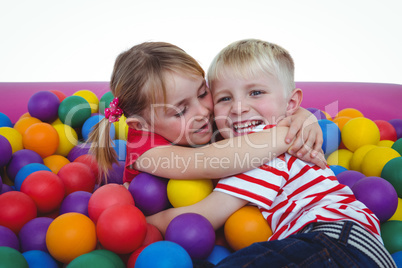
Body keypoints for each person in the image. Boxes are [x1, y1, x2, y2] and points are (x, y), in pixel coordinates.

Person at [146, 39, 396, 267]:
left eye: (255, 93)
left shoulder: (260, 149)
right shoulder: (263, 138)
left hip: (337, 242)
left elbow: (206, 214)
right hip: (344, 246)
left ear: (290, 103)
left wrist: (141, 225)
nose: (239, 108)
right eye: (224, 98)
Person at [88, 41, 325, 186]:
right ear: (141, 125)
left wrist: (302, 116)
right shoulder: (144, 150)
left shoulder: (208, 118)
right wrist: (285, 134)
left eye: (203, 93)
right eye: (180, 110)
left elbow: (270, 107)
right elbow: (209, 162)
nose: (203, 111)